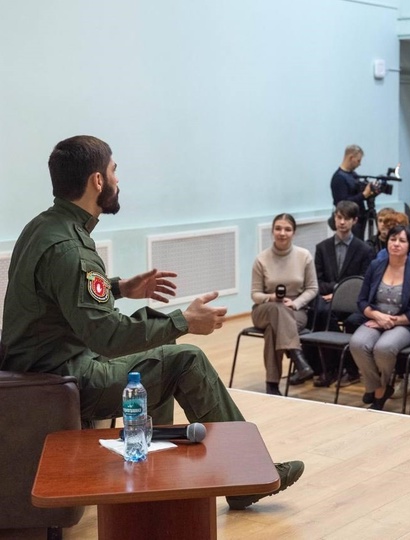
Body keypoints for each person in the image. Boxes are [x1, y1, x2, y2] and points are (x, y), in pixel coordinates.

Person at [0, 135, 304, 511]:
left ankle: (151, 470)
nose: (117, 180)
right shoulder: (71, 248)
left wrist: (120, 288)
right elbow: (108, 336)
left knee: (162, 354)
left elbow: (60, 298)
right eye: (114, 171)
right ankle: (247, 476)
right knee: (185, 359)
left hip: (43, 365)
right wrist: (184, 320)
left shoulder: (43, 228)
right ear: (97, 181)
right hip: (66, 374)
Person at [349, 225, 410, 410]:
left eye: (402, 240)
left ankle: (377, 390)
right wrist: (376, 315)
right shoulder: (376, 265)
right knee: (358, 343)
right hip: (376, 318)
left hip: (405, 323)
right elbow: (361, 301)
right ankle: (378, 387)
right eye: (393, 239)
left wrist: (393, 321)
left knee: (384, 348)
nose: (396, 244)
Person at [251, 213, 318, 395]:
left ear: (294, 233)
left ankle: (272, 385)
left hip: (295, 311)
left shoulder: (304, 256)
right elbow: (255, 294)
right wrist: (271, 297)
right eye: (278, 228)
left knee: (274, 330)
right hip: (264, 310)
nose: (282, 233)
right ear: (272, 231)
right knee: (276, 310)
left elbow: (312, 288)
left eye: (287, 229)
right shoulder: (261, 259)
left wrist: (295, 303)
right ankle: (296, 356)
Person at [312, 201, 375, 387]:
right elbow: (318, 281)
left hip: (355, 302)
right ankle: (329, 368)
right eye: (339, 217)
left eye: (346, 218)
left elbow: (363, 282)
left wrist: (339, 294)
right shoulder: (322, 247)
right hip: (328, 299)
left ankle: (350, 368)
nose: (341, 222)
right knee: (321, 313)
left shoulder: (364, 249)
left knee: (351, 321)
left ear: (354, 221)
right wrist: (336, 291)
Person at [330, 144, 373, 239]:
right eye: (358, 161)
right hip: (348, 222)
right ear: (351, 158)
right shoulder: (339, 178)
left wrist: (370, 192)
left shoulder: (353, 175)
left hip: (359, 218)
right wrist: (363, 195)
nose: (359, 164)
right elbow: (342, 203)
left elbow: (358, 193)